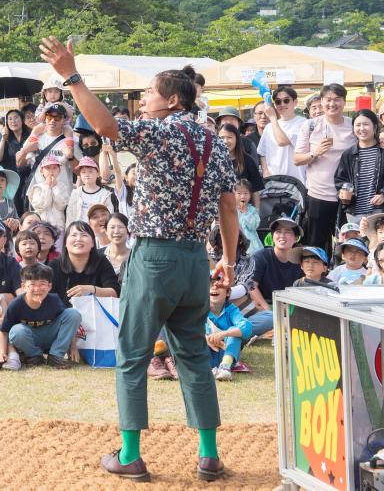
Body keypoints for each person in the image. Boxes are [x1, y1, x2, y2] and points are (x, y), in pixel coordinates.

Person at [41, 36, 238, 483]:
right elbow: (229, 206)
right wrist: (225, 258)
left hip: (155, 258)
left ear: (171, 100)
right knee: (192, 357)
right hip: (195, 261)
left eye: (149, 93)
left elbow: (106, 126)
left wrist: (71, 76)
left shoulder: (161, 130)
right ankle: (209, 455)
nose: (144, 100)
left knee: (131, 356)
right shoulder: (212, 140)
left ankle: (130, 455)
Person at [294, 83, 355, 251]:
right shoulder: (310, 125)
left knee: (348, 245)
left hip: (347, 197)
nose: (332, 104)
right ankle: (316, 276)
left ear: (344, 102)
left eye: (337, 99)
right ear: (321, 101)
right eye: (328, 99)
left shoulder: (353, 125)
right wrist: (315, 153)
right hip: (318, 196)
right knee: (316, 246)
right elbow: (297, 159)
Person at [0, 263, 82, 369]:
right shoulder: (16, 304)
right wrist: (1, 353)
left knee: (73, 313)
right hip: (30, 338)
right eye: (32, 284)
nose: (37, 289)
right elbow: (3, 331)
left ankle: (55, 356)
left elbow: (68, 322)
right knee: (16, 331)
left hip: (50, 335)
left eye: (42, 284)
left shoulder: (54, 300)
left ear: (49, 286)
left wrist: (73, 347)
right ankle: (35, 356)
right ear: (23, 286)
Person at [245, 216, 304, 338]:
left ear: (296, 238)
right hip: (263, 306)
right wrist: (267, 310)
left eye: (288, 232)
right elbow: (251, 285)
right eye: (278, 232)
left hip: (289, 307)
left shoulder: (302, 259)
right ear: (272, 237)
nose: (282, 235)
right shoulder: (261, 256)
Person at [335, 109, 384, 225]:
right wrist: (344, 193)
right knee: (356, 243)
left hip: (382, 212)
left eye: (366, 124)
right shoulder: (348, 154)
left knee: (381, 243)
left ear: (375, 126)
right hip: (355, 213)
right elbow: (340, 180)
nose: (362, 128)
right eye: (358, 125)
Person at [48, 220, 120, 307]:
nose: (78, 239)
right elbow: (47, 297)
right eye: (74, 235)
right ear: (65, 243)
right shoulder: (55, 265)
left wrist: (91, 290)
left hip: (96, 316)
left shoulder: (101, 261)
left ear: (93, 243)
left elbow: (115, 293)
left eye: (84, 235)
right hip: (63, 317)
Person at [205, 280, 252, 382]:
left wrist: (223, 334)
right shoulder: (199, 309)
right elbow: (187, 330)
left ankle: (225, 367)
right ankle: (205, 368)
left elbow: (247, 327)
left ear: (228, 292)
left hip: (226, 352)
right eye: (210, 284)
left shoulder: (231, 310)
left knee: (233, 331)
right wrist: (206, 339)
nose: (214, 287)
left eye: (220, 285)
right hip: (205, 353)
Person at [259, 86, 308, 181]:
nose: (282, 104)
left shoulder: (303, 123)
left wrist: (273, 118)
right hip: (273, 181)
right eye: (278, 101)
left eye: (286, 100)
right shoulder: (269, 127)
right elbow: (262, 152)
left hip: (297, 181)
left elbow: (282, 141)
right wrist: (265, 171)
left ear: (295, 102)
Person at [216, 123, 263, 206]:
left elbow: (256, 190)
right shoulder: (213, 161)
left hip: (244, 212)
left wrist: (257, 213)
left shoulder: (247, 160)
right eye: (222, 138)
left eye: (229, 137)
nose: (225, 141)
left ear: (237, 139)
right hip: (221, 210)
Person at [234, 180, 262, 257]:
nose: (242, 196)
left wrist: (245, 212)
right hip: (236, 242)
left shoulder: (252, 210)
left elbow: (254, 226)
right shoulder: (232, 210)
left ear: (250, 195)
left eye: (246, 193)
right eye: (239, 193)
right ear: (234, 194)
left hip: (252, 245)